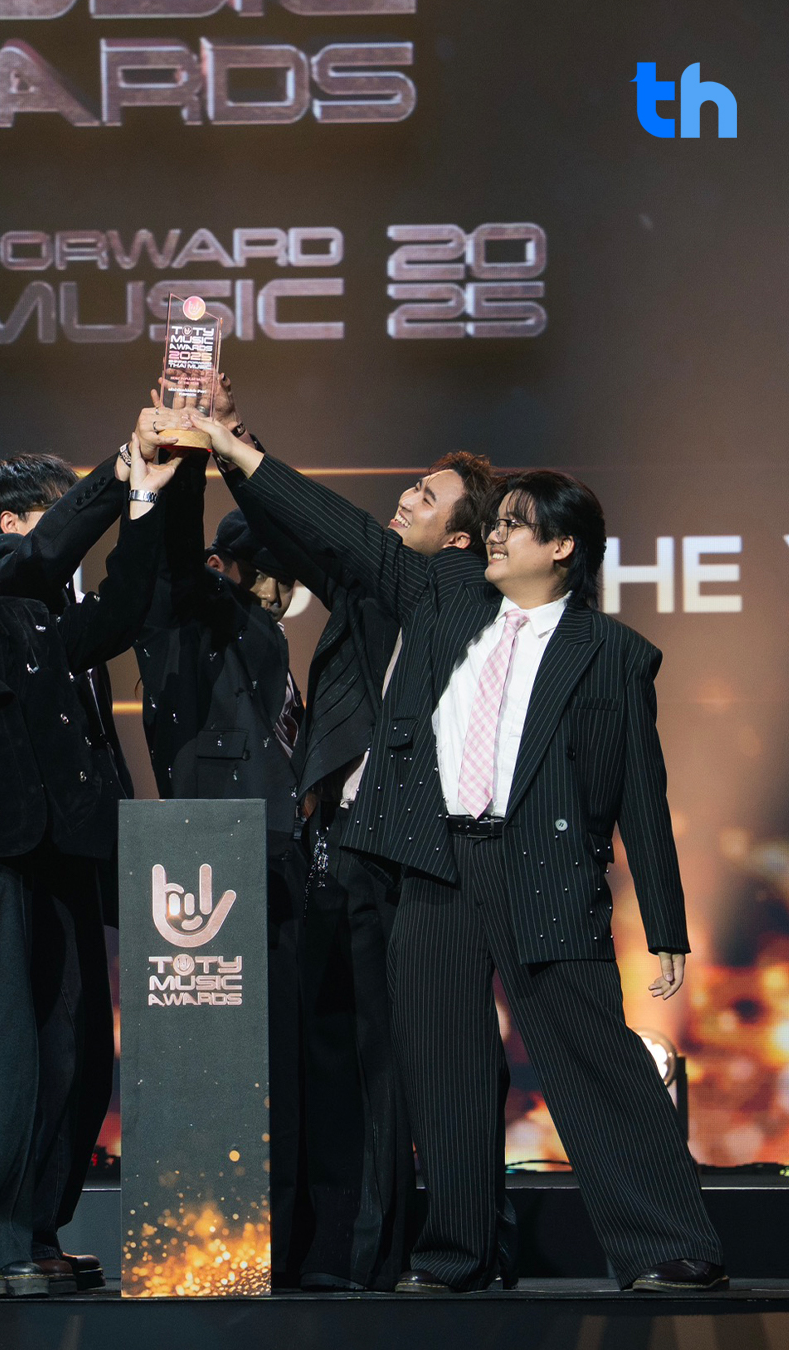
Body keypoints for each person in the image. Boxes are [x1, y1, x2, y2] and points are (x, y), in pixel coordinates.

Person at [190, 417, 726, 1295]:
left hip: (542, 874)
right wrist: (234, 448)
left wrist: (665, 922)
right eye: (497, 520)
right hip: (438, 864)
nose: (497, 536)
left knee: (595, 1060)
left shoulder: (611, 654)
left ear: (562, 548)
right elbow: (346, 532)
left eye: (516, 525)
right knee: (443, 1071)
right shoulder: (446, 597)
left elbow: (640, 790)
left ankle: (666, 1243)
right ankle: (458, 1254)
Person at [218, 422, 498, 1291]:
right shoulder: (375, 591)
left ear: (462, 540)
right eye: (412, 483)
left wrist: (237, 446)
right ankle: (350, 1252)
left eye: (428, 495)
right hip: (346, 846)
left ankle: (432, 1247)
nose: (406, 497)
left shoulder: (456, 599)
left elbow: (338, 531)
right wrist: (229, 449)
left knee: (418, 1059)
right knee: (347, 1051)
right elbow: (305, 527)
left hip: (422, 854)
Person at [0, 445, 174, 1291]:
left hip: (86, 854)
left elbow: (126, 601)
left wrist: (146, 501)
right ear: (12, 525)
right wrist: (118, 471)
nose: (79, 532)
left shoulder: (64, 609)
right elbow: (41, 554)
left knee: (88, 1053)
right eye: (64, 514)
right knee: (45, 1049)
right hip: (28, 862)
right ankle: (13, 1234)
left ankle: (40, 1229)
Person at [131, 401, 311, 1284]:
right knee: (219, 1071)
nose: (284, 594)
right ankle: (209, 1254)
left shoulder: (263, 630)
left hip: (273, 857)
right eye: (273, 576)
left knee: (279, 1066)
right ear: (231, 565)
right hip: (213, 859)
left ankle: (280, 1244)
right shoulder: (193, 606)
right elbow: (175, 546)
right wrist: (203, 451)